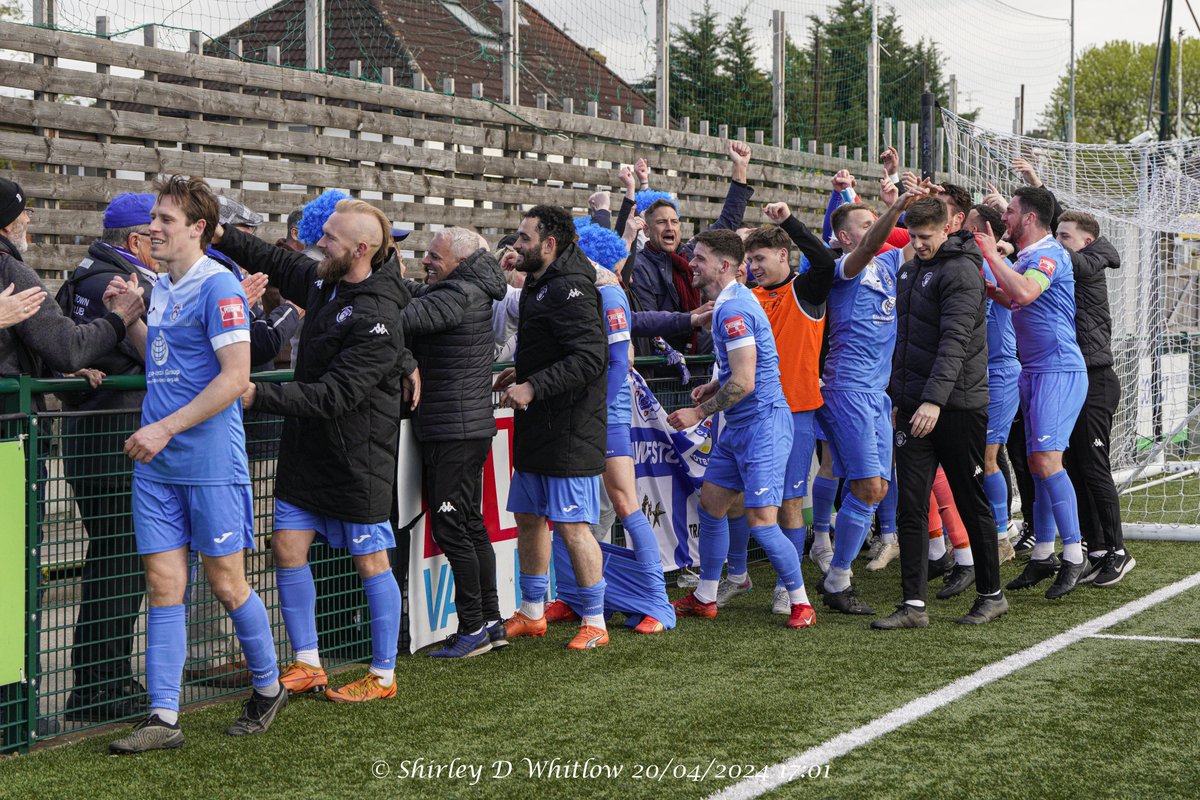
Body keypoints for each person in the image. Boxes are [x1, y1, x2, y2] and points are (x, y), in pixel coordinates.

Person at [108, 175, 284, 754]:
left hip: (206, 460)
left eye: (164, 220)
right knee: (164, 587)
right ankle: (163, 717)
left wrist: (162, 427)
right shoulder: (161, 285)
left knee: (227, 584)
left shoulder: (220, 288)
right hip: (157, 465)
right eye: (153, 217)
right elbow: (163, 358)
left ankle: (268, 685)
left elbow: (236, 379)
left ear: (198, 229)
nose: (151, 228)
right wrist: (130, 319)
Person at [212, 197, 410, 701]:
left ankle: (383, 674)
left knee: (372, 562)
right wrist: (220, 235)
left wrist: (256, 393)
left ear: (361, 250)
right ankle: (307, 662)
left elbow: (334, 396)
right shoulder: (327, 279)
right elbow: (279, 262)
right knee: (287, 547)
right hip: (307, 449)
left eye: (332, 239)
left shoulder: (379, 315)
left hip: (358, 455)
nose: (321, 243)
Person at [668, 229, 815, 629]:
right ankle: (705, 597)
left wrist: (698, 413)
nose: (691, 264)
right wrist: (715, 386)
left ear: (724, 265)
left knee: (762, 524)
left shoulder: (732, 309)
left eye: (698, 258)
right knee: (712, 507)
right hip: (741, 425)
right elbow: (745, 367)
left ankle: (801, 602)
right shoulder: (732, 301)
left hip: (763, 425)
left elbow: (747, 381)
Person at [874, 196, 1007, 629]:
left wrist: (933, 400)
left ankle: (991, 594)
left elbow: (955, 341)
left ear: (946, 229)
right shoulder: (911, 270)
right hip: (913, 407)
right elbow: (905, 340)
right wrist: (899, 398)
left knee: (971, 502)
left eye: (925, 236)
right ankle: (913, 605)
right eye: (913, 236)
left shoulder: (964, 270)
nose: (918, 243)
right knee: (910, 505)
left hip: (958, 407)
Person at [58, 193, 160, 723]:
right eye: (158, 230)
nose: (164, 243)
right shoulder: (111, 281)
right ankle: (99, 686)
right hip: (113, 442)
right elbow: (157, 356)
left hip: (98, 441)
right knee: (118, 564)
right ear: (136, 240)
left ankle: (106, 679)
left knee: (117, 562)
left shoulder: (86, 274)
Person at [494, 205, 610, 651]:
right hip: (539, 426)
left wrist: (534, 386)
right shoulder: (542, 283)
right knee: (528, 518)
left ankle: (594, 621)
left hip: (569, 430)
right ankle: (533, 611)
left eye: (524, 238)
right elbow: (555, 347)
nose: (517, 245)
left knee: (573, 526)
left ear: (549, 244)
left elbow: (589, 359)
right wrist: (521, 374)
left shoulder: (572, 288)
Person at [716, 202, 835, 616]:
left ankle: (790, 586)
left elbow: (824, 261)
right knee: (730, 500)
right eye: (749, 260)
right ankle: (736, 575)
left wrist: (787, 222)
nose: (754, 266)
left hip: (795, 411)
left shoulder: (806, 289)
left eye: (760, 258)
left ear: (784, 255)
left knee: (786, 501)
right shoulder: (747, 297)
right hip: (746, 414)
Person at [400, 227, 508, 658]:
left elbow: (401, 320)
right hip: (466, 428)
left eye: (434, 257)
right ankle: (491, 621)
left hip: (454, 432)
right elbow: (418, 298)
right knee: (470, 524)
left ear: (459, 263)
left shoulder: (458, 293)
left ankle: (473, 628)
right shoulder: (467, 287)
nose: (426, 261)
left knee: (452, 527)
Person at [975, 186, 1088, 599]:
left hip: (1058, 369)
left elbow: (1024, 293)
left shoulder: (1049, 253)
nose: (1005, 217)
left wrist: (989, 254)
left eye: (1012, 211)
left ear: (1029, 218)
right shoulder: (1026, 256)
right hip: (1035, 370)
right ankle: (1043, 554)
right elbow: (1011, 299)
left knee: (1045, 460)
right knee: (1034, 463)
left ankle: (1075, 554)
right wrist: (984, 285)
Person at [813, 194, 910, 616]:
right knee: (866, 486)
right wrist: (896, 209)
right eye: (866, 222)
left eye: (877, 220)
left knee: (879, 488)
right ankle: (835, 576)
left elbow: (929, 236)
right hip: (847, 390)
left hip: (877, 393)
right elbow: (871, 244)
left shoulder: (890, 265)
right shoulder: (843, 268)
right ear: (844, 235)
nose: (877, 228)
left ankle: (836, 578)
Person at [1057, 210, 1134, 586]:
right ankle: (1098, 549)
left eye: (1065, 237)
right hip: (1072, 380)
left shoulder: (1088, 265)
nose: (1058, 243)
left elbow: (1063, 249)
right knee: (1074, 464)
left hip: (1096, 380)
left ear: (1086, 242)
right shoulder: (1074, 260)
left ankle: (1119, 551)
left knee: (1094, 465)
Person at [631, 142, 754, 355]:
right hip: (665, 362)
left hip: (699, 349)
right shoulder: (640, 266)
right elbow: (648, 322)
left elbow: (728, 221)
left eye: (674, 221)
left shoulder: (690, 253)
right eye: (661, 222)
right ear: (647, 231)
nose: (669, 227)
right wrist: (693, 317)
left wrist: (740, 168)